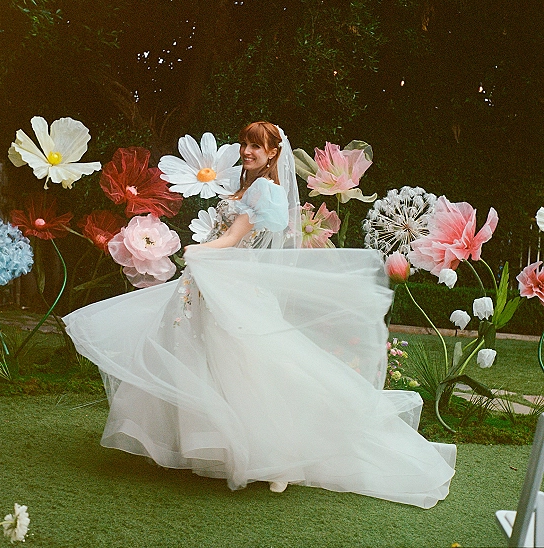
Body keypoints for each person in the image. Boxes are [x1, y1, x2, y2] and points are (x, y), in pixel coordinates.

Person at [63, 122, 456, 507]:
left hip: (227, 284)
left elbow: (235, 240)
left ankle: (280, 457)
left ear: (273, 153)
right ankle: (203, 446)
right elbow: (233, 237)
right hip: (211, 283)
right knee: (205, 363)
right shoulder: (248, 188)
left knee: (247, 369)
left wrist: (200, 251)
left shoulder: (265, 190)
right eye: (244, 144)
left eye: (257, 146)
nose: (247, 151)